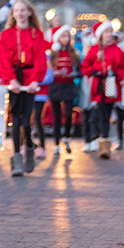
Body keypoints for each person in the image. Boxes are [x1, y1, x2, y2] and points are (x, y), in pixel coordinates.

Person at [0, 0, 48, 177]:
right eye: (16, 11)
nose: (19, 14)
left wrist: (35, 80)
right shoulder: (7, 34)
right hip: (14, 80)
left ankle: (29, 148)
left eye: (22, 10)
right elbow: (3, 58)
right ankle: (16, 157)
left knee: (27, 121)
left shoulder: (37, 34)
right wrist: (11, 79)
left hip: (29, 80)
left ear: (28, 12)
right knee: (15, 120)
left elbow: (41, 59)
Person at [82, 20, 124, 159]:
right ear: (101, 34)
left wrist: (116, 74)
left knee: (107, 114)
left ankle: (105, 142)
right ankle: (101, 141)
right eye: (106, 32)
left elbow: (122, 67)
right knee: (99, 113)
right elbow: (85, 67)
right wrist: (94, 70)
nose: (109, 34)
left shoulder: (117, 50)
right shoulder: (95, 50)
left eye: (110, 32)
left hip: (111, 84)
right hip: (99, 85)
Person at [48, 25, 80, 155]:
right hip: (56, 86)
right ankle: (56, 144)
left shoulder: (73, 53)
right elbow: (47, 70)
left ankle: (66, 137)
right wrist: (54, 73)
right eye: (64, 36)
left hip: (68, 86)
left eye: (68, 36)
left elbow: (79, 70)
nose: (66, 39)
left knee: (68, 114)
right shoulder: (52, 54)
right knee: (56, 116)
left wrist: (73, 74)